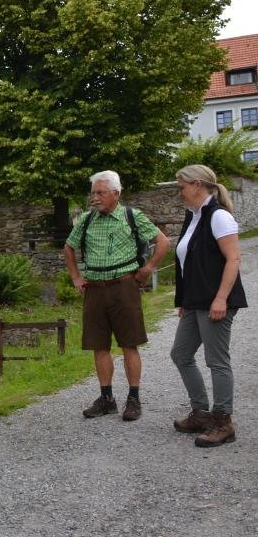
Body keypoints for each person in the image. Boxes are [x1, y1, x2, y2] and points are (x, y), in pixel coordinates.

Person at [64, 170, 170, 421]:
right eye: (93, 193)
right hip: (94, 289)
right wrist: (76, 277)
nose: (95, 198)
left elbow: (162, 241)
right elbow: (68, 247)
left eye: (100, 193)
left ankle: (133, 398)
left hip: (124, 286)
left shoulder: (132, 216)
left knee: (128, 344)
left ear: (116, 193)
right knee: (98, 345)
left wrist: (148, 268)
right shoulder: (87, 220)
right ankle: (107, 398)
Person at [170, 164, 247, 447]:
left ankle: (223, 420)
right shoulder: (193, 217)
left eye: (182, 187)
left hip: (215, 301)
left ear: (198, 184)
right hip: (195, 302)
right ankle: (201, 412)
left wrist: (221, 299)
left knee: (217, 361)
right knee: (180, 353)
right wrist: (185, 302)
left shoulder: (218, 217)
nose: (179, 192)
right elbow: (189, 262)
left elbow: (234, 259)